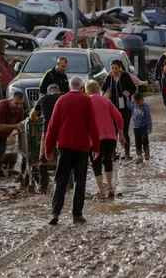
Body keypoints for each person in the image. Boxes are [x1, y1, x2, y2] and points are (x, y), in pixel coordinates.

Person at [45, 77, 100, 225]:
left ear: (70, 86)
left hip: (64, 147)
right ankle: (77, 215)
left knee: (61, 180)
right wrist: (96, 147)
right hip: (82, 148)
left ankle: (55, 213)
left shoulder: (61, 100)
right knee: (79, 181)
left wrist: (48, 148)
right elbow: (92, 125)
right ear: (82, 87)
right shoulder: (86, 100)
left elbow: (52, 126)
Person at [86, 80, 124, 198]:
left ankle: (102, 191)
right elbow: (119, 117)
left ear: (87, 91)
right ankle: (111, 189)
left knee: (96, 163)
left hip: (94, 139)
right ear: (98, 89)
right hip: (110, 138)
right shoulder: (106, 101)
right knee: (108, 161)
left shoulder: (86, 102)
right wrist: (121, 134)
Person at [30, 83, 62, 192]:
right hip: (61, 132)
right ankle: (63, 183)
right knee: (62, 157)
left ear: (48, 91)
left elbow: (33, 115)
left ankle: (43, 185)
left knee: (43, 158)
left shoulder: (43, 99)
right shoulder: (62, 98)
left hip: (47, 131)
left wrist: (37, 118)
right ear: (58, 91)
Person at [102, 59, 136, 159]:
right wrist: (106, 93)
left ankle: (127, 153)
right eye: (112, 68)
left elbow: (133, 88)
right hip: (112, 108)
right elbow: (103, 89)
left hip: (124, 108)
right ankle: (113, 153)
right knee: (113, 131)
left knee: (124, 130)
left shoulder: (125, 76)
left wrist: (127, 93)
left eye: (116, 68)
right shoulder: (109, 77)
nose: (114, 70)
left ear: (120, 68)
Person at [131, 92, 152, 163]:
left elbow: (148, 118)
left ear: (142, 99)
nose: (138, 103)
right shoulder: (133, 105)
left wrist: (149, 127)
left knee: (145, 141)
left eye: (139, 101)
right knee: (137, 142)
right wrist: (127, 97)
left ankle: (147, 154)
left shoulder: (145, 107)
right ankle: (139, 156)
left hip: (144, 127)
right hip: (136, 127)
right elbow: (128, 105)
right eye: (136, 102)